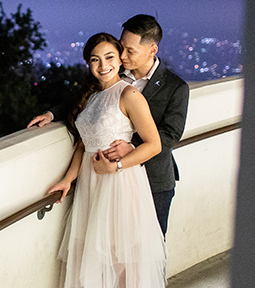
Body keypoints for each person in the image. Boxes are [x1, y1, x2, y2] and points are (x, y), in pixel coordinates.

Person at [46, 33, 170, 288]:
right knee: (95, 256)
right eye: (96, 59)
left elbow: (153, 144)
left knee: (124, 263)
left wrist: (115, 165)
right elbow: (82, 146)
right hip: (91, 185)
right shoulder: (90, 98)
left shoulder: (128, 94)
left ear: (120, 58)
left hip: (119, 184)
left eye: (110, 57)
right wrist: (69, 179)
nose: (103, 65)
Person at [29, 15, 189, 236]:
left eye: (130, 51)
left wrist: (130, 147)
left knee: (148, 248)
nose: (122, 56)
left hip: (154, 179)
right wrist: (52, 113)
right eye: (121, 48)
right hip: (103, 179)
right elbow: (87, 105)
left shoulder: (176, 87)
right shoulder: (113, 72)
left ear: (152, 50)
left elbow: (170, 135)